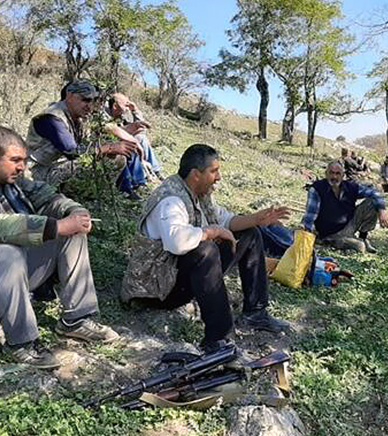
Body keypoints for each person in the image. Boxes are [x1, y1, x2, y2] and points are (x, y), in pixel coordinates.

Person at [0, 127, 118, 369]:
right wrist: (54, 226)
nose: (21, 167)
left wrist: (74, 211)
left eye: (24, 161)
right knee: (5, 251)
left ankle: (77, 319)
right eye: (15, 160)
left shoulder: (7, 180)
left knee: (72, 230)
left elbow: (46, 195)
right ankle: (23, 344)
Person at [121, 144, 290, 352]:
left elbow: (226, 220)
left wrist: (257, 219)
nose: (218, 177)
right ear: (195, 175)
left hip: (176, 277)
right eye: (213, 171)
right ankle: (218, 339)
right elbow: (177, 242)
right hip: (155, 291)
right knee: (206, 250)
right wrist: (211, 232)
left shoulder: (199, 194)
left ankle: (255, 312)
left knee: (250, 234)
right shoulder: (171, 201)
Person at [25, 80, 142, 199]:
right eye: (85, 100)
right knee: (108, 156)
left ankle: (94, 195)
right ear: (70, 97)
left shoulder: (77, 115)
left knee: (116, 158)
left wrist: (126, 140)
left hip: (60, 167)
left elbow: (104, 129)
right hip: (41, 174)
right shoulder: (53, 118)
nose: (89, 106)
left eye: (92, 101)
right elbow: (74, 152)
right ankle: (79, 196)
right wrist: (109, 148)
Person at [300, 160, 388, 253]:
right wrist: (306, 235)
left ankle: (363, 237)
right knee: (360, 247)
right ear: (326, 174)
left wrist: (382, 210)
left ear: (343, 175)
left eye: (338, 174)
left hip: (350, 224)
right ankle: (336, 242)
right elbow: (310, 216)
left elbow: (374, 193)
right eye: (331, 173)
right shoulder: (317, 189)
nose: (334, 177)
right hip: (331, 233)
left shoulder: (350, 187)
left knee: (372, 202)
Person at [106, 93, 164, 182]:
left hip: (122, 140)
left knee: (141, 138)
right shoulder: (104, 117)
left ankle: (155, 171)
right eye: (125, 105)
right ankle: (138, 181)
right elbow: (113, 132)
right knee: (130, 146)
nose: (127, 108)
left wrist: (135, 110)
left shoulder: (122, 115)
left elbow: (142, 129)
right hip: (111, 145)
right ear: (115, 106)